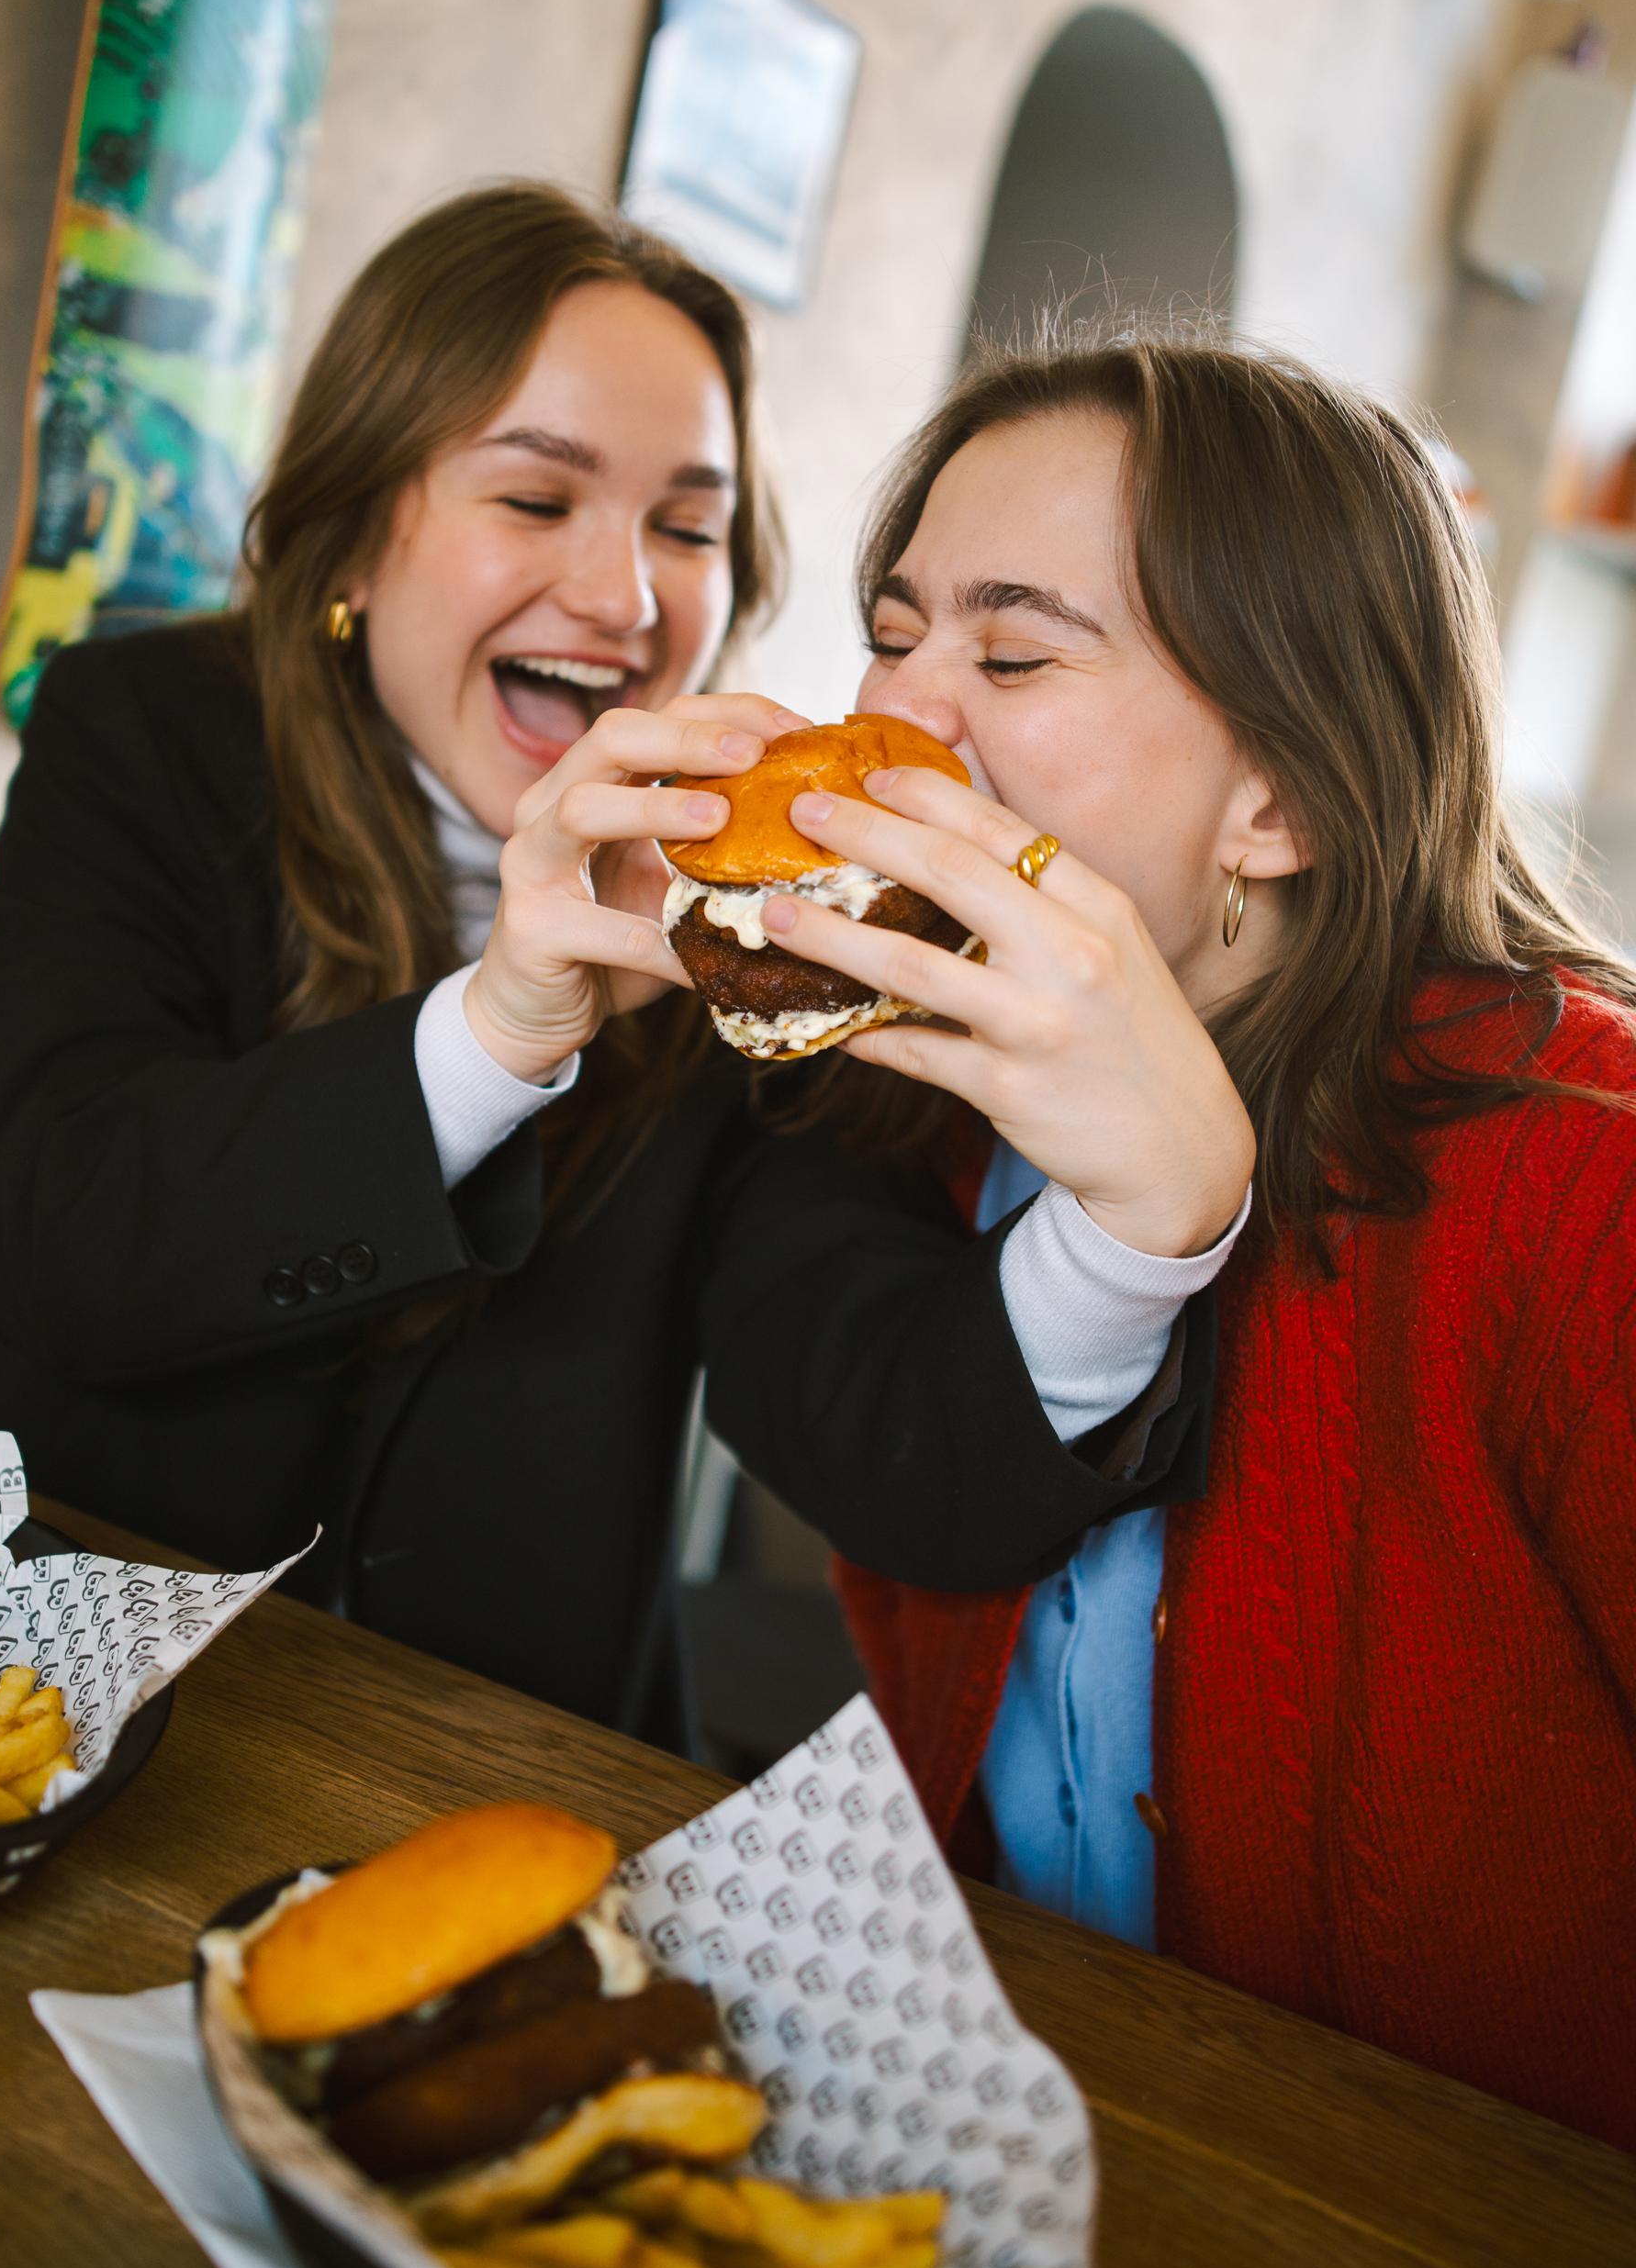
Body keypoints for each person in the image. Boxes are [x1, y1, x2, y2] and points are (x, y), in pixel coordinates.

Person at [0, 186, 1242, 1747]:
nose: (626, 601)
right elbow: (45, 1241)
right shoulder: (143, 735)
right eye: (537, 504)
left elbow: (892, 1438)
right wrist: (493, 1035)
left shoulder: (760, 902)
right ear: (354, 529)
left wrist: (1139, 1237)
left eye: (688, 527)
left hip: (494, 1757)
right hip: (10, 1675)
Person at [689, 334, 1635, 2151]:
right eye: (891, 636)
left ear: (1277, 795)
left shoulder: (1580, 1178)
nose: (889, 723)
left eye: (1015, 651)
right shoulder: (905, 1101)